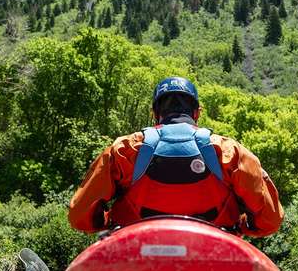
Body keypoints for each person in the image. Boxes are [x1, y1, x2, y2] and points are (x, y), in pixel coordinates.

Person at [68, 77, 284, 236]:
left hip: (134, 255)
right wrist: (241, 225)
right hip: (214, 255)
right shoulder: (229, 152)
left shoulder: (125, 150)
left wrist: (110, 222)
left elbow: (80, 215)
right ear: (197, 113)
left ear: (155, 113)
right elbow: (270, 220)